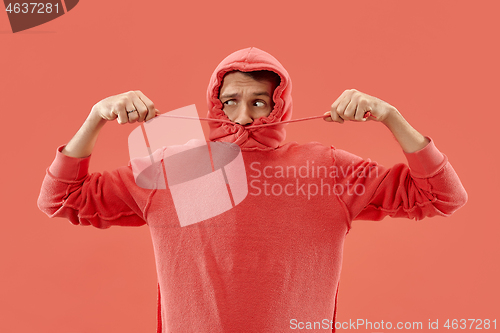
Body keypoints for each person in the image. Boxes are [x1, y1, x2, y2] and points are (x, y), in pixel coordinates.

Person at [38, 47, 467, 332]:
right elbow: (61, 199)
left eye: (259, 102)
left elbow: (443, 196)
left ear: (280, 104)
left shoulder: (326, 167)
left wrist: (392, 117)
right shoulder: (175, 165)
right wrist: (95, 117)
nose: (243, 117)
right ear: (215, 102)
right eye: (230, 101)